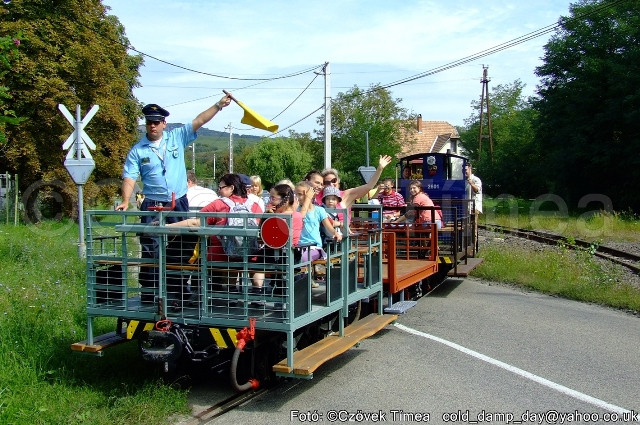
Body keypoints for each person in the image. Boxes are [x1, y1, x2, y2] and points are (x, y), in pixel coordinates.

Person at [115, 95, 231, 216]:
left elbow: (199, 120)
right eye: (149, 122)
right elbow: (129, 177)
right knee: (150, 235)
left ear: (164, 123)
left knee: (180, 234)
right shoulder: (137, 150)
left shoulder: (177, 137)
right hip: (152, 203)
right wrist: (126, 201)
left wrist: (218, 105)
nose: (152, 126)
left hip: (178, 201)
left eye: (156, 122)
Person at [296, 181, 342, 288]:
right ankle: (300, 282)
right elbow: (300, 217)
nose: (298, 197)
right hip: (299, 246)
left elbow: (328, 226)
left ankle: (305, 282)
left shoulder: (319, 210)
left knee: (303, 258)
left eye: (300, 194)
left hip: (314, 247)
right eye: (296, 194)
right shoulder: (296, 210)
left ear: (309, 195)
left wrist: (335, 233)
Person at [465, 162, 483, 249]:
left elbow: (478, 190)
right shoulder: (463, 180)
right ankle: (467, 245)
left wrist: (471, 184)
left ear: (470, 169)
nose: (465, 172)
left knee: (473, 227)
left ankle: (474, 247)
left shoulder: (476, 180)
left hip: (474, 207)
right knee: (466, 227)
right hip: (466, 208)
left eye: (466, 170)